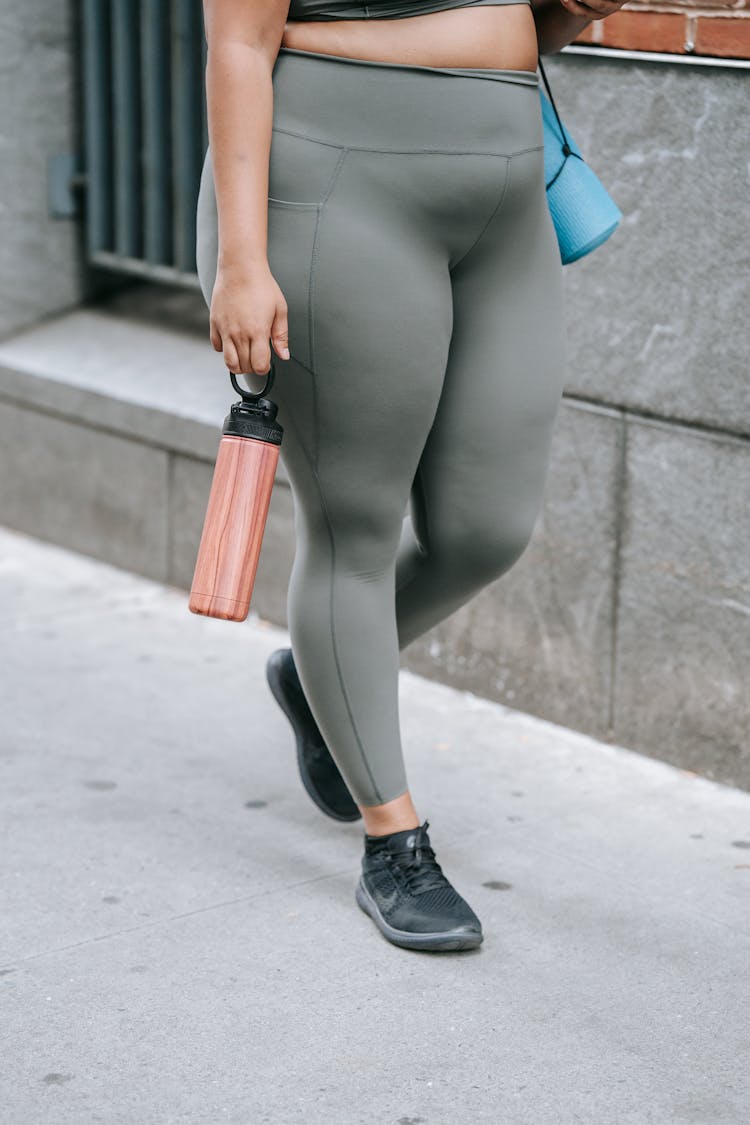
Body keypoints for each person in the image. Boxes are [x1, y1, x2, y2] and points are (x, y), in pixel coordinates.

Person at [196, 0, 627, 953]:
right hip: (334, 181)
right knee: (356, 525)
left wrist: (565, 12)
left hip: (505, 195)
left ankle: (322, 684)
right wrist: (240, 260)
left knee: (488, 527)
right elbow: (238, 38)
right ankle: (393, 841)